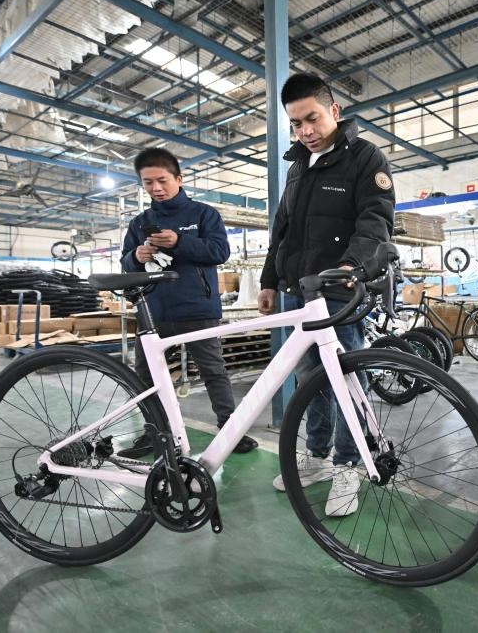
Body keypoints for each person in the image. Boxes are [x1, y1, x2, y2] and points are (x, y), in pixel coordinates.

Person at [258, 72, 394, 517]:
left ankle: (349, 465)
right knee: (309, 379)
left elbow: (375, 220)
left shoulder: (365, 158)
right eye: (296, 124)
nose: (306, 131)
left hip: (339, 290)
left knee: (345, 380)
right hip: (299, 292)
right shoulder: (297, 168)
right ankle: (316, 457)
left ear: (334, 110)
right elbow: (281, 230)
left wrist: (353, 267)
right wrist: (268, 280)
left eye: (312, 118)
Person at [118, 147, 257, 458]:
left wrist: (180, 242)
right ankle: (154, 433)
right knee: (147, 377)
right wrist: (136, 257)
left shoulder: (203, 214)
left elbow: (219, 252)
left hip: (197, 308)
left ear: (179, 179)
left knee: (213, 371)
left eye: (162, 180)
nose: (156, 188)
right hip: (153, 311)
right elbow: (125, 264)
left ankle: (231, 431)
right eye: (148, 182)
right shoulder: (139, 223)